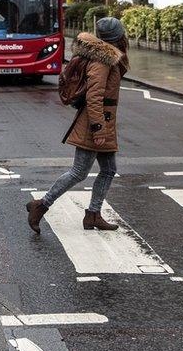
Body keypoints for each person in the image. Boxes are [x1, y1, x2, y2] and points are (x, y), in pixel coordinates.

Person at [26, 17, 130, 234]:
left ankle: (93, 214)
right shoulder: (103, 60)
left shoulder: (110, 57)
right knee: (79, 172)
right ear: (118, 37)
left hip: (103, 121)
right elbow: (94, 95)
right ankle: (41, 205)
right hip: (96, 123)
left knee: (109, 170)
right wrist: (98, 128)